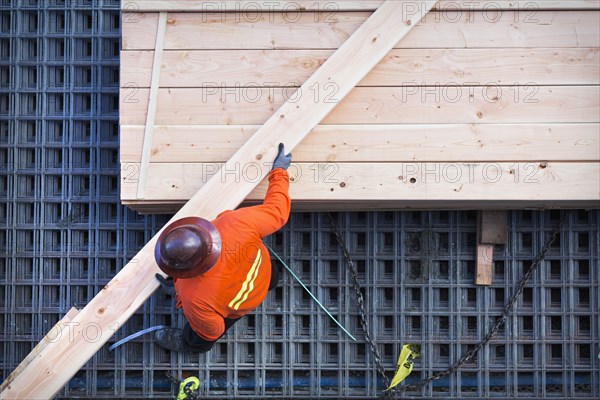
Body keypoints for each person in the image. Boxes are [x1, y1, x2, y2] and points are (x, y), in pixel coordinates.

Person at [153, 143, 292, 352]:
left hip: (239, 306)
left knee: (201, 336)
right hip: (263, 276)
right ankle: (272, 281)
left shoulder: (193, 296)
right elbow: (278, 210)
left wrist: (180, 296)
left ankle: (187, 344)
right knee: (270, 275)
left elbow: (213, 329)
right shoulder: (236, 224)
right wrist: (279, 172)